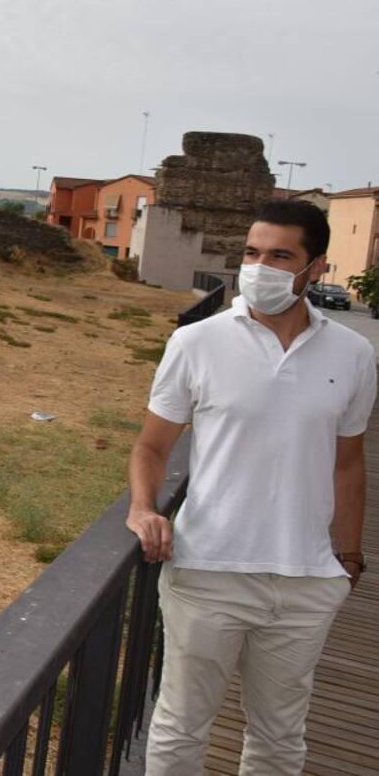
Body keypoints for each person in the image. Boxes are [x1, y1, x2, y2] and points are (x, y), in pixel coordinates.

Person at [126, 200, 373, 774]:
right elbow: (151, 447)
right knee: (182, 727)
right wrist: (143, 507)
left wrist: (349, 558)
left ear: (316, 267)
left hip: (305, 582)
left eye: (280, 256)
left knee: (280, 738)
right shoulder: (197, 342)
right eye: (252, 253)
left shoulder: (354, 354)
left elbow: (349, 463)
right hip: (208, 572)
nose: (259, 268)